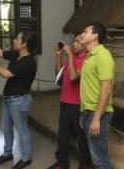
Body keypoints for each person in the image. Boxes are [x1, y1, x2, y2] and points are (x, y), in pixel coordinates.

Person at [0, 30, 37, 169]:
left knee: (22, 130)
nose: (14, 40)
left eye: (17, 39)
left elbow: (6, 74)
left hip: (19, 101)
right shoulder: (17, 55)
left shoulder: (29, 61)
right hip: (8, 99)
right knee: (5, 127)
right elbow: (0, 52)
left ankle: (26, 157)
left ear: (24, 44)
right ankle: (8, 153)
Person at [47, 38, 91, 169]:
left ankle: (85, 163)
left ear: (84, 46)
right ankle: (62, 162)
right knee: (63, 134)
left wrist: (70, 54)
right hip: (64, 101)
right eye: (74, 41)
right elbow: (58, 74)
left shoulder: (86, 59)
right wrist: (59, 57)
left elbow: (73, 77)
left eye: (77, 42)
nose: (73, 44)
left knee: (81, 136)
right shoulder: (71, 59)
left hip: (78, 104)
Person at [78, 23, 115, 169]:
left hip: (98, 113)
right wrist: (84, 113)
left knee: (100, 158)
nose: (81, 34)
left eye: (85, 31)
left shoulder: (103, 55)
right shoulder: (89, 56)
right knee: (96, 155)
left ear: (95, 36)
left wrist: (96, 118)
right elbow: (89, 87)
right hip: (89, 111)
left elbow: (106, 88)